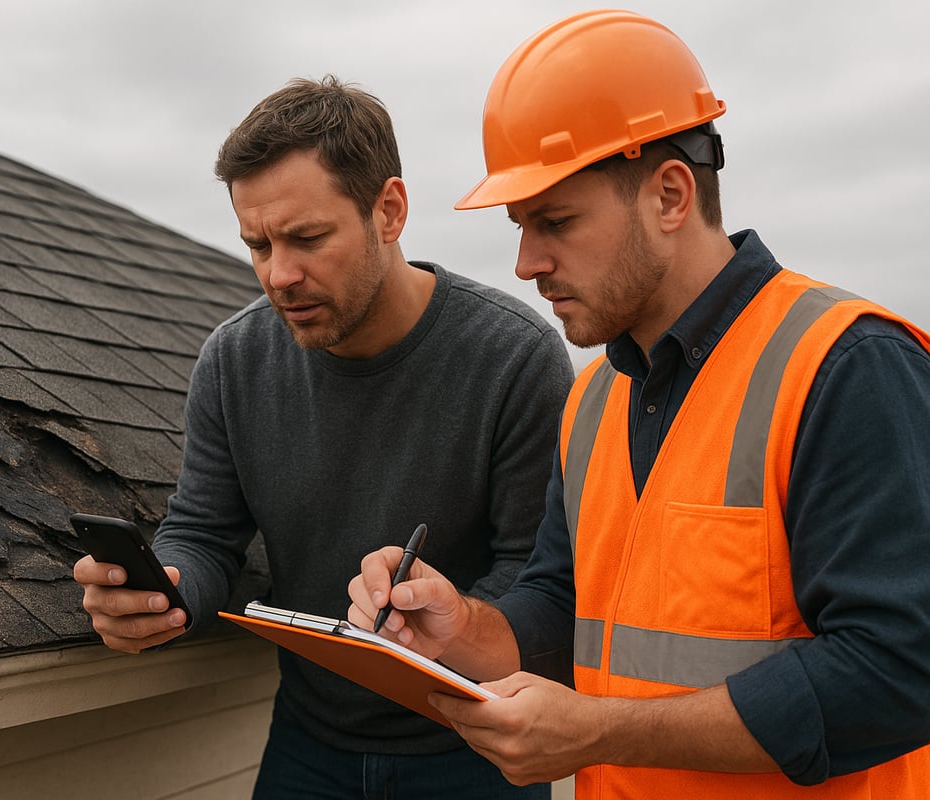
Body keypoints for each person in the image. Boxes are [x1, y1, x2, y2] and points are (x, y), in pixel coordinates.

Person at [348, 9, 930, 798]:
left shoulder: (845, 366)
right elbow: (562, 608)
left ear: (669, 195)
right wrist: (463, 629)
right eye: (522, 226)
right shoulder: (591, 400)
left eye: (554, 222)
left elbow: (901, 669)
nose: (526, 263)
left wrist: (606, 729)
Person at [73, 75, 573, 799]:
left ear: (390, 210)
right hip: (307, 745)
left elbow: (539, 579)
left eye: (307, 238)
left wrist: (452, 613)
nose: (279, 275)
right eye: (258, 244)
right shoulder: (233, 360)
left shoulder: (515, 357)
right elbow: (204, 534)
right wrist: (169, 591)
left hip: (474, 747)